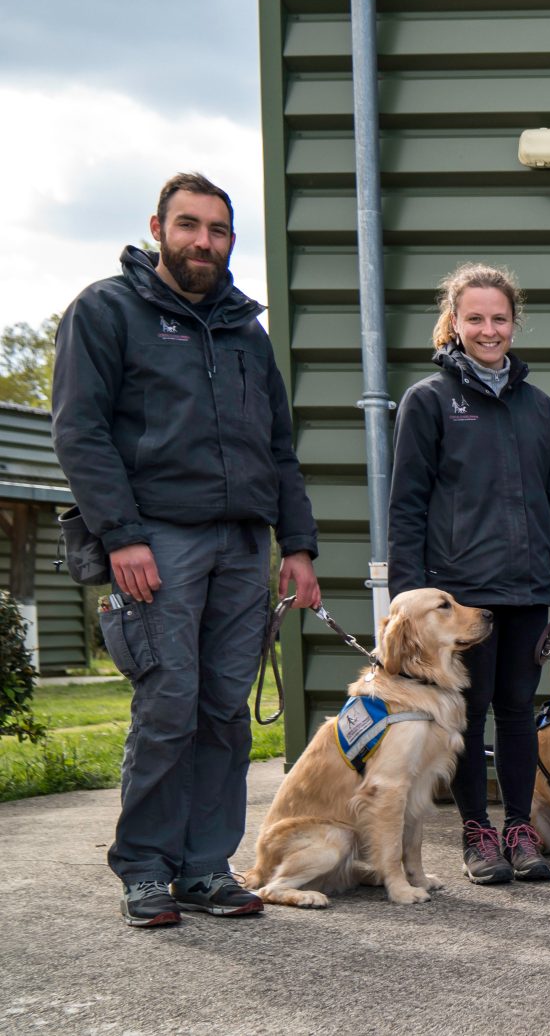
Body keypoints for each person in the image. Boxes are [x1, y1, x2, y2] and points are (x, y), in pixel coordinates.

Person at [51, 172, 322, 927]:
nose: (204, 241)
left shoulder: (245, 329)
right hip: (154, 542)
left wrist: (297, 547)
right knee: (167, 705)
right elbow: (80, 433)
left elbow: (278, 449)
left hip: (242, 544)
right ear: (158, 227)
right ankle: (144, 867)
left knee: (224, 710)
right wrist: (122, 536)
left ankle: (205, 867)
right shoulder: (107, 311)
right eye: (190, 225)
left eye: (219, 230)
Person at [388, 262, 550, 887]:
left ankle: (520, 829)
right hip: (458, 598)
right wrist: (406, 600)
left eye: (500, 318)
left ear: (514, 324)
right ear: (455, 322)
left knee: (518, 710)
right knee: (466, 713)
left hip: (528, 591)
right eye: (475, 318)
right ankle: (477, 831)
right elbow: (407, 504)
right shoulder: (429, 401)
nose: (489, 329)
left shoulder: (538, 406)